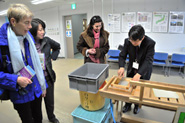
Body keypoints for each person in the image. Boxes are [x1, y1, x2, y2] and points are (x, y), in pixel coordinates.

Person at [0, 4, 46, 123]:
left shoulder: (28, 37)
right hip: (20, 94)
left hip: (35, 89)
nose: (30, 27)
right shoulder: (2, 44)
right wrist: (15, 80)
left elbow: (36, 65)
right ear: (13, 21)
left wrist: (43, 86)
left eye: (30, 22)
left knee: (38, 118)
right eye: (26, 23)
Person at [118, 25, 156, 114]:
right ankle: (127, 104)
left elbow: (148, 60)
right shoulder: (128, 41)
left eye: (135, 41)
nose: (132, 43)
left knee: (140, 90)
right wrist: (121, 67)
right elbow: (122, 55)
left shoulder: (150, 43)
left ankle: (137, 105)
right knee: (129, 87)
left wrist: (139, 74)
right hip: (132, 68)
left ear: (142, 38)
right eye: (131, 40)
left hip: (144, 70)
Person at [30, 18, 61, 123]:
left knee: (50, 102)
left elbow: (57, 47)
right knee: (36, 104)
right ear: (33, 31)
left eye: (43, 29)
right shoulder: (27, 44)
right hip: (35, 80)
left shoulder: (46, 41)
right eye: (40, 30)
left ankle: (51, 117)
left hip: (48, 77)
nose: (43, 32)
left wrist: (53, 57)